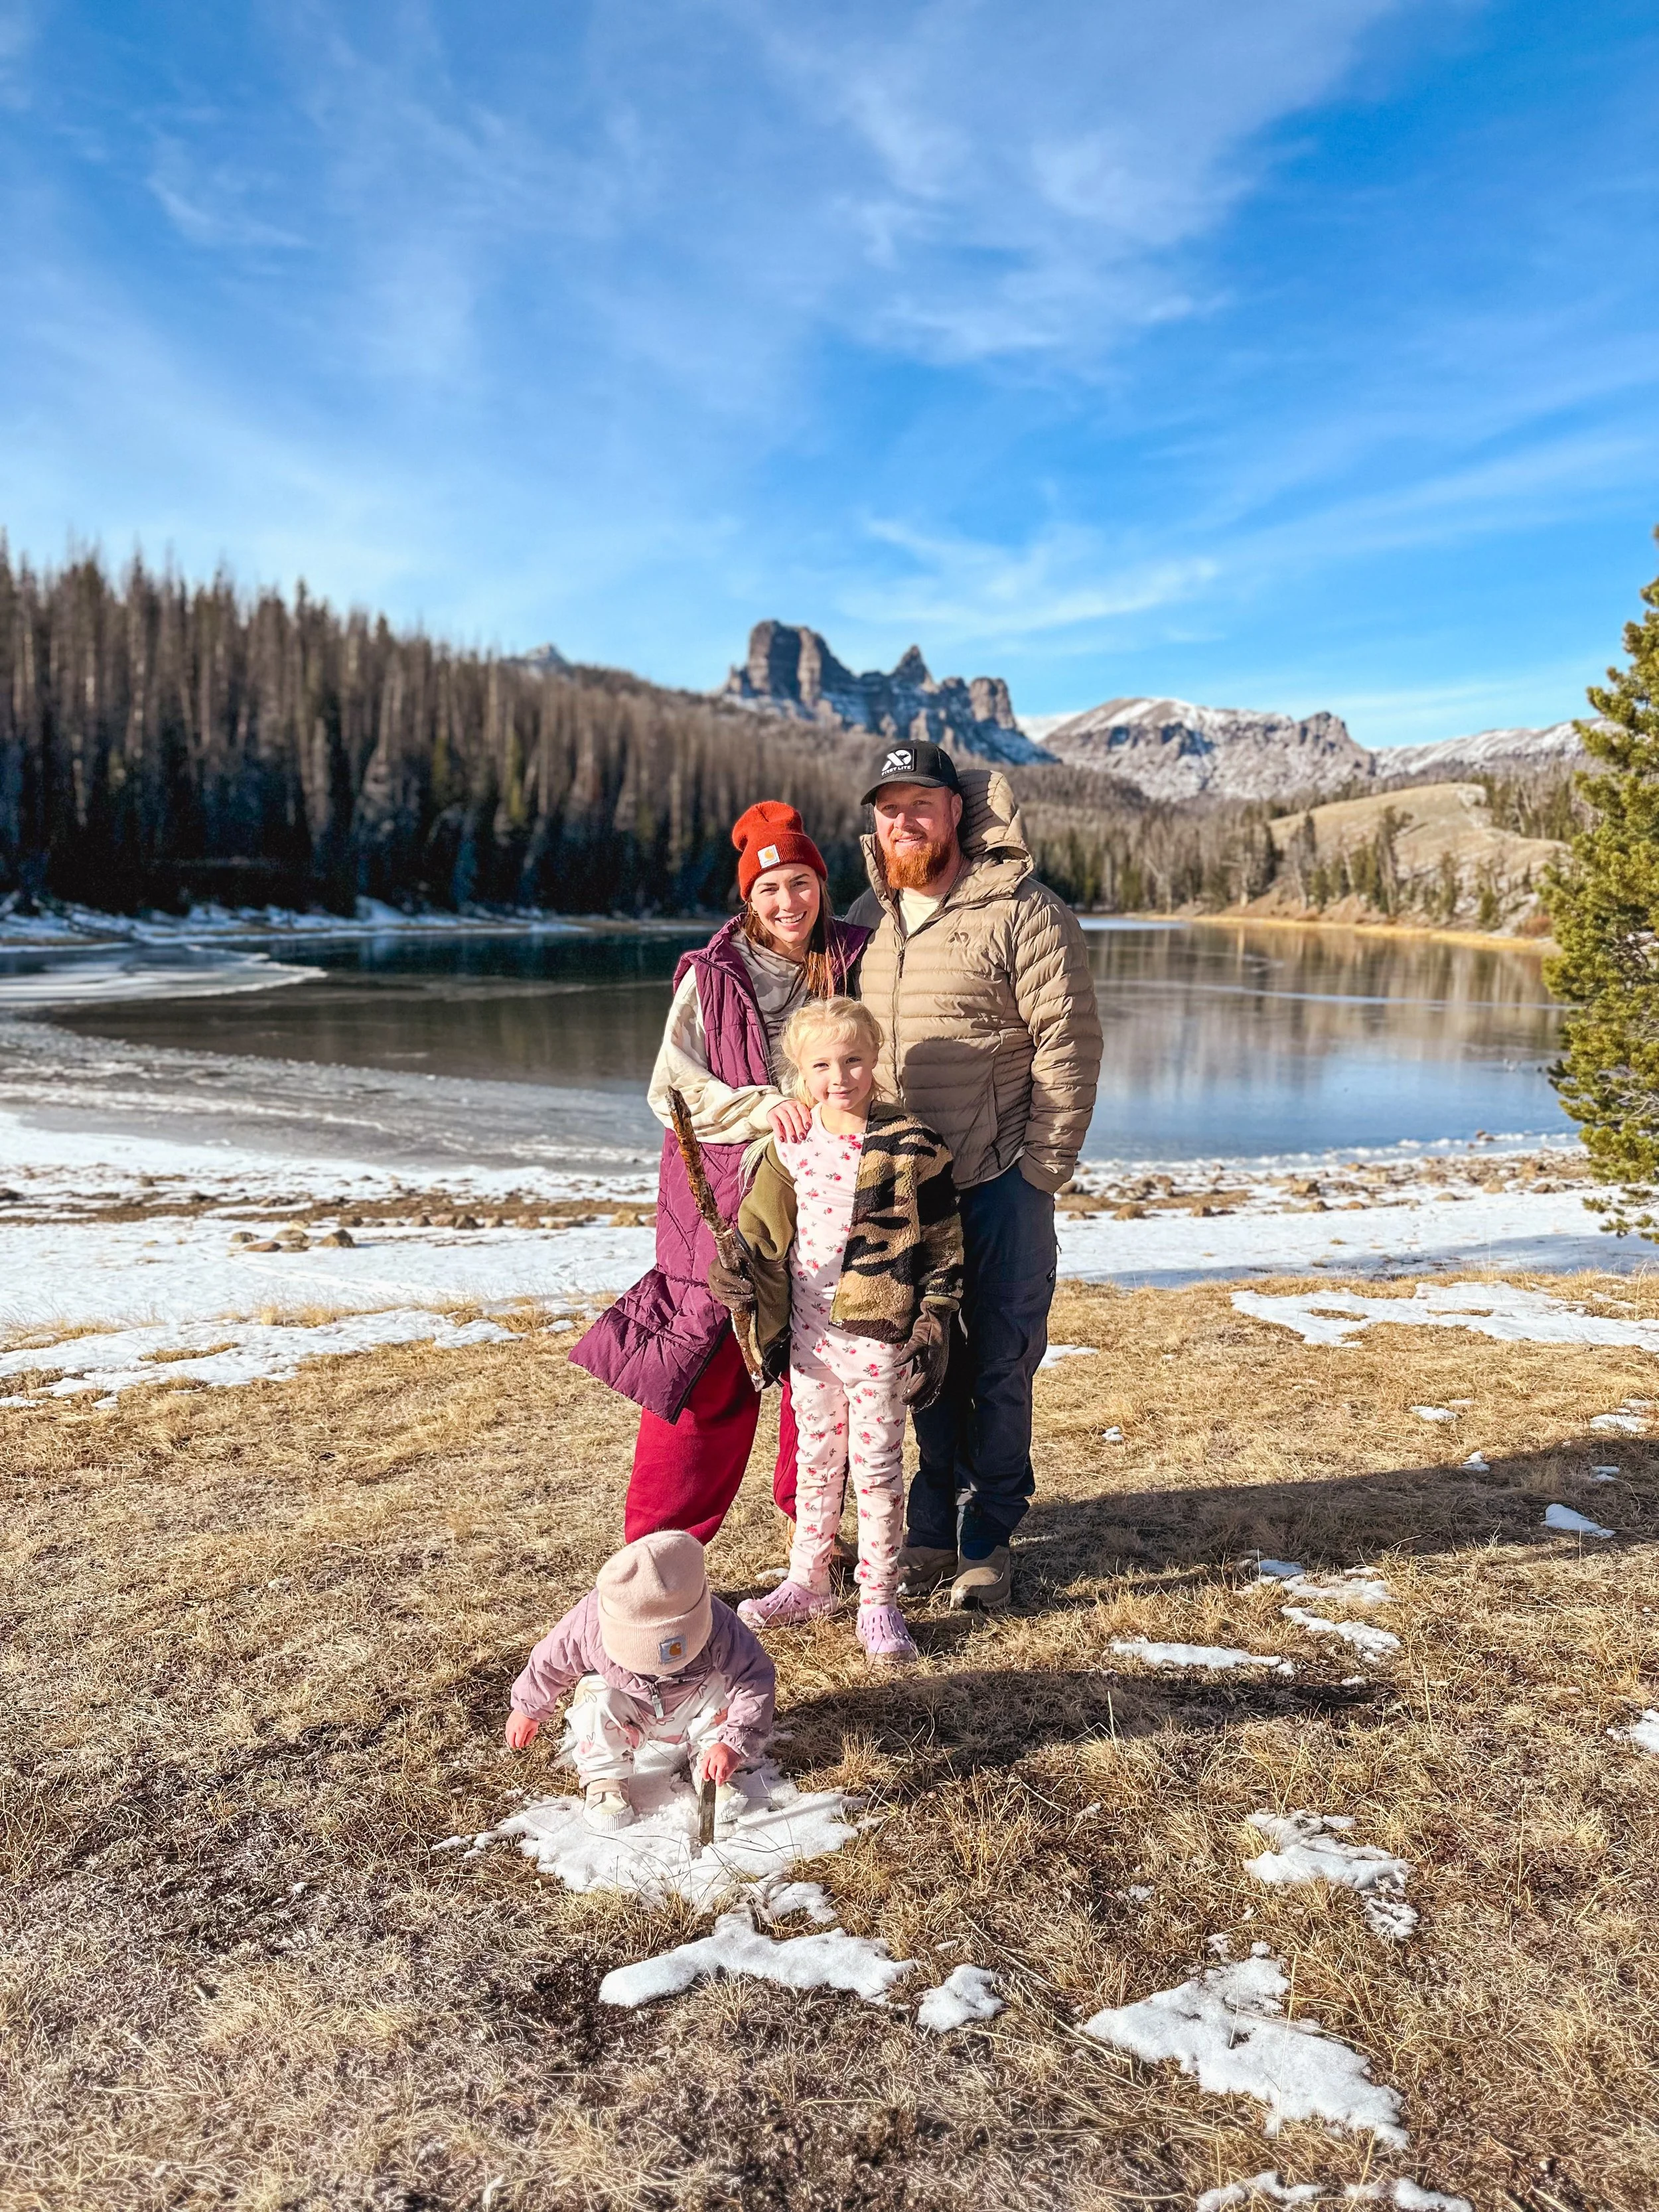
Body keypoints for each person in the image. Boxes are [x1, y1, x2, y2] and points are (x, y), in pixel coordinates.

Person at [847, 739, 1103, 1612]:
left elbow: (1068, 1051)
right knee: (926, 1357)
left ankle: (989, 1537)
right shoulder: (873, 923)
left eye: (922, 802)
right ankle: (928, 1529)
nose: (905, 819)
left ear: (959, 809)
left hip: (1000, 1180)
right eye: (889, 807)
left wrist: (1039, 1172)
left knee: (999, 1362)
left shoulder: (1024, 912)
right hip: (910, 1194)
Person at [570, 801, 868, 1546]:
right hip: (719, 1208)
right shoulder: (710, 977)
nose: (787, 903)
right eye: (769, 890)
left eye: (800, 883)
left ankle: (815, 1543)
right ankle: (657, 1558)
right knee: (707, 1383)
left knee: (821, 1374)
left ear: (821, 885)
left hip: (833, 1200)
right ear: (748, 898)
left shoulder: (859, 960)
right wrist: (768, 1109)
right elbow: (669, 1092)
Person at [717, 996, 962, 1666]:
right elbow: (761, 1234)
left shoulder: (914, 1144)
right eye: (822, 1064)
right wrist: (735, 1269)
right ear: (800, 1070)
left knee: (878, 1472)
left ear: (874, 1059)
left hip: (879, 1336)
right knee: (815, 1463)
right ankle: (808, 1582)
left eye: (853, 1060)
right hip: (808, 1337)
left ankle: (879, 1599)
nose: (840, 1076)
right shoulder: (790, 1143)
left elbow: (942, 1247)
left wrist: (930, 1324)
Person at [504, 1530, 775, 1834]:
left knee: (724, 1690)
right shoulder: (589, 1623)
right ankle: (605, 1776)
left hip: (693, 1704)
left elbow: (755, 1678)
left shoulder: (719, 1622)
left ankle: (711, 1762)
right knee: (595, 1695)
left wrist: (733, 1743)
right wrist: (528, 1708)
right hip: (630, 1710)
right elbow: (550, 1660)